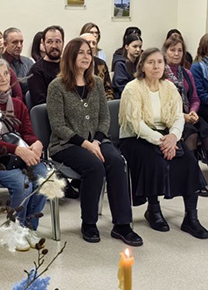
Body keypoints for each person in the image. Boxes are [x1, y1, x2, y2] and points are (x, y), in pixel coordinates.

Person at [47, 38, 142, 246]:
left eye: (89, 53)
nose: (86, 56)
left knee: (116, 161)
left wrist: (97, 141)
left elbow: (105, 117)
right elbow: (58, 126)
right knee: (94, 166)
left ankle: (122, 225)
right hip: (66, 144)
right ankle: (89, 223)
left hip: (97, 140)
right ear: (70, 56)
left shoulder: (96, 82)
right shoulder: (57, 86)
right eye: (80, 52)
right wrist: (86, 144)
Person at [119, 48, 208, 239]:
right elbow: (136, 124)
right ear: (142, 66)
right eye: (151, 62)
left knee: (189, 162)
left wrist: (173, 137)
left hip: (167, 136)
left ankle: (191, 217)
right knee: (155, 162)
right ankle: (153, 210)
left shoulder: (169, 87)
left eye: (160, 62)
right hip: (135, 138)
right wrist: (162, 142)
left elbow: (178, 117)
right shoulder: (132, 88)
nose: (156, 66)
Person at [0, 58, 46, 249]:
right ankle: (15, 230)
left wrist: (36, 143)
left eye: (6, 74)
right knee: (23, 184)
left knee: (45, 177)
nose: (4, 79)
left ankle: (29, 227)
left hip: (17, 155)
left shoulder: (18, 104)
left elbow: (27, 132)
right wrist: (18, 150)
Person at [162, 36, 208, 196]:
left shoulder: (186, 73)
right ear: (165, 52)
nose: (177, 54)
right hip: (170, 117)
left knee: (207, 132)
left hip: (189, 113)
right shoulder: (161, 74)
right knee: (191, 133)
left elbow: (194, 98)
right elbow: (162, 104)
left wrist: (193, 111)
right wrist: (182, 116)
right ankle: (195, 179)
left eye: (180, 50)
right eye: (173, 50)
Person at [27, 25, 63, 106]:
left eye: (58, 41)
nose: (54, 46)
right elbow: (40, 102)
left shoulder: (70, 66)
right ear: (43, 44)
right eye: (49, 42)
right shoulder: (36, 70)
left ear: (63, 43)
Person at [79, 31, 114, 100]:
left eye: (94, 43)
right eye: (88, 42)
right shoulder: (74, 64)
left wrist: (107, 100)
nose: (92, 46)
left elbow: (108, 89)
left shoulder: (101, 64)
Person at [2, 27, 34, 96]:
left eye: (21, 42)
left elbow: (34, 83)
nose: (19, 46)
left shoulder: (28, 62)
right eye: (15, 42)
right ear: (5, 44)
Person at [112, 33, 142, 98]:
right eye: (135, 46)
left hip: (139, 95)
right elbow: (122, 86)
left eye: (140, 47)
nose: (138, 50)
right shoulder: (120, 64)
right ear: (126, 47)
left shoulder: (140, 64)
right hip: (123, 97)